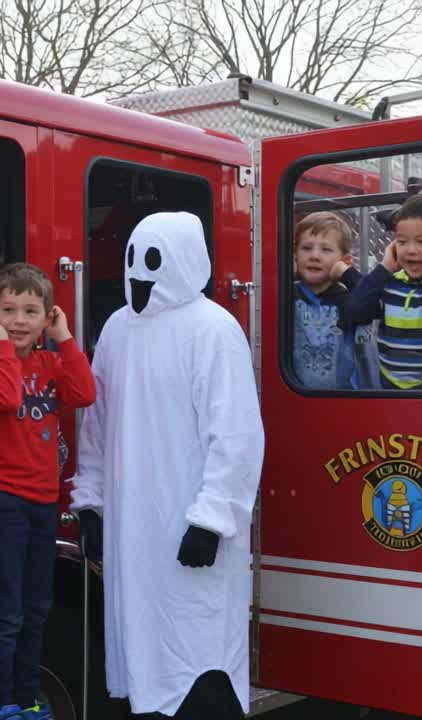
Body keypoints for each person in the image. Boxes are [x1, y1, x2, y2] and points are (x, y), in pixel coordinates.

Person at [70, 212, 263, 720]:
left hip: (189, 528)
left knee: (198, 649)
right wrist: (89, 502)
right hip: (132, 532)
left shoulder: (215, 329)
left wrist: (211, 519)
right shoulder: (116, 328)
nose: (139, 272)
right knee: (140, 649)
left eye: (152, 260)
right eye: (134, 257)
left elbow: (237, 435)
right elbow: (97, 421)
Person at [0, 263, 96, 720]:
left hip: (44, 501)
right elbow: (3, 397)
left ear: (46, 317)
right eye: (9, 310)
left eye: (30, 311)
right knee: (6, 612)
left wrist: (63, 337)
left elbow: (83, 393)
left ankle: (28, 699)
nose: (19, 320)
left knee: (37, 608)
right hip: (0, 499)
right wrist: (1, 343)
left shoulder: (49, 363)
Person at [345, 192, 422, 389]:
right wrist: (384, 268)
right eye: (402, 242)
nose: (410, 250)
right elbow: (355, 309)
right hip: (387, 384)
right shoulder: (390, 284)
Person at [291, 211, 363, 389]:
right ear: (295, 256)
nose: (314, 256)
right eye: (306, 248)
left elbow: (372, 301)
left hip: (338, 400)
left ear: (344, 260)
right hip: (294, 398)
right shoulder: (287, 295)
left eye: (326, 249)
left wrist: (347, 274)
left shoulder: (348, 301)